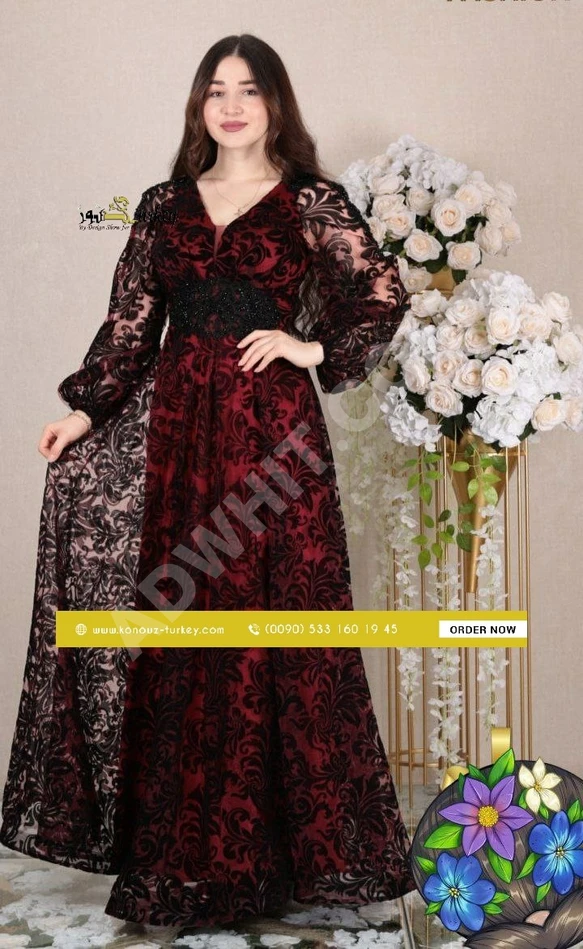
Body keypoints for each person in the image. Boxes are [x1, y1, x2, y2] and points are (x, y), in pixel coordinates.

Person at [0, 33, 416, 931]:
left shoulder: (310, 201)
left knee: (285, 631)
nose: (230, 105)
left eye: (248, 89)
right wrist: (80, 414)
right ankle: (182, 864)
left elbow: (380, 296)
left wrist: (307, 346)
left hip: (275, 450)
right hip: (180, 442)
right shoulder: (161, 205)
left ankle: (292, 864)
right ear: (199, 105)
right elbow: (129, 324)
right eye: (215, 90)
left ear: (275, 104)